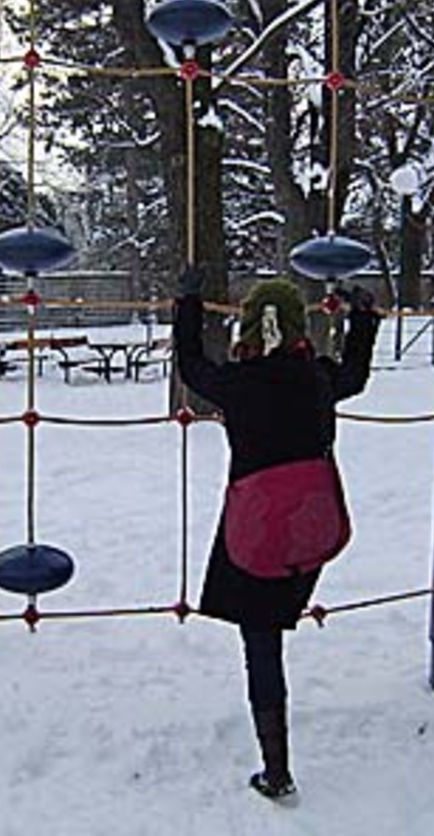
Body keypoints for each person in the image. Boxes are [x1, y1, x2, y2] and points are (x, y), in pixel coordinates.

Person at [173, 268, 381, 803]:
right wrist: (363, 317)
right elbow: (355, 375)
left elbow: (192, 367)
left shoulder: (237, 385)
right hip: (310, 526)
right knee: (269, 629)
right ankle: (275, 767)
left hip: (256, 529)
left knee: (261, 643)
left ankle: (276, 768)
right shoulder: (317, 379)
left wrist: (188, 304)